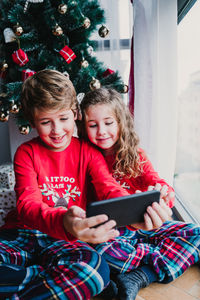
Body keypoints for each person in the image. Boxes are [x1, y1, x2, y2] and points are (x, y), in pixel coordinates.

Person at [0, 70, 134, 299]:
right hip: (22, 232)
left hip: (64, 239)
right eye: (45, 122)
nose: (57, 130)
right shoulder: (26, 153)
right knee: (91, 280)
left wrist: (132, 209)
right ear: (33, 122)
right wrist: (62, 220)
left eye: (63, 118)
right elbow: (28, 205)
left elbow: (108, 188)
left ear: (75, 114)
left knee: (94, 269)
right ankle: (52, 283)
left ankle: (31, 283)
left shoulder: (89, 152)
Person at [78, 87, 200, 300]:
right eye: (93, 125)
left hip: (144, 227)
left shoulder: (135, 155)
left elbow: (159, 183)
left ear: (120, 122)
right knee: (100, 253)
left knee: (197, 233)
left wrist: (164, 193)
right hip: (111, 233)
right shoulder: (84, 157)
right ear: (83, 127)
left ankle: (140, 275)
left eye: (108, 123)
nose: (102, 131)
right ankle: (166, 258)